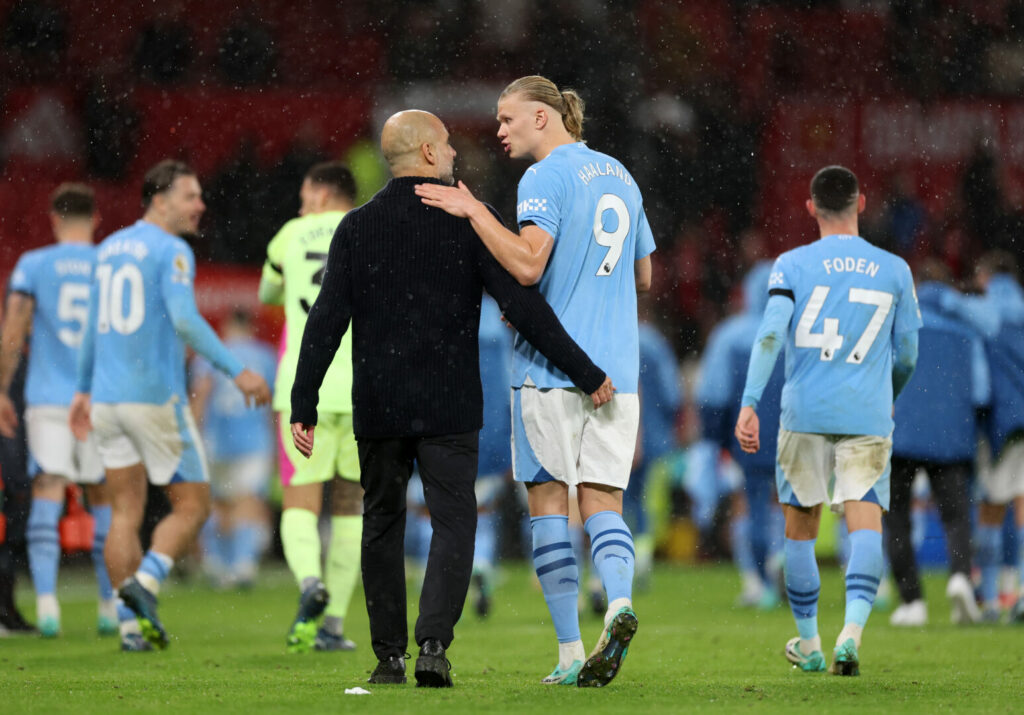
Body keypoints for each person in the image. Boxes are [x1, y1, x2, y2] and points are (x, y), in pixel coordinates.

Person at [290, 109, 612, 688]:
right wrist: (585, 371)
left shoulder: (357, 227)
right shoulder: (468, 220)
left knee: (381, 524)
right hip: (449, 403)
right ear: (431, 155)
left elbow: (325, 321)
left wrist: (303, 403)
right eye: (449, 147)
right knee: (454, 522)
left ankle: (388, 656)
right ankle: (434, 644)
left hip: (380, 403)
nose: (458, 156)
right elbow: (523, 307)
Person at [416, 75, 655, 688]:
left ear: (543, 118)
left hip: (551, 368)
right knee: (603, 502)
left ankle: (572, 650)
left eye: (507, 118)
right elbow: (645, 276)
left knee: (548, 503)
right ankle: (621, 603)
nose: (499, 130)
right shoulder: (621, 176)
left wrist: (474, 210)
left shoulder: (543, 177)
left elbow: (527, 263)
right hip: (617, 369)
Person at [69, 160, 271, 652]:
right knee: (194, 506)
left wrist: (81, 391)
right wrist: (235, 368)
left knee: (124, 511)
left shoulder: (109, 248)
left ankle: (129, 626)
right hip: (155, 398)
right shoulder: (172, 250)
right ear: (159, 200)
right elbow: (184, 319)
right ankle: (148, 580)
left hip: (109, 401)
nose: (199, 204)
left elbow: (92, 326)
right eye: (189, 195)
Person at [735, 165, 921, 676]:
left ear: (811, 207)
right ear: (861, 205)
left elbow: (771, 335)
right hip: (866, 411)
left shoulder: (790, 265)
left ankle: (811, 642)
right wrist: (888, 395)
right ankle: (852, 635)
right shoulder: (895, 269)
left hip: (805, 412)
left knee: (801, 527)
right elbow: (907, 353)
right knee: (865, 521)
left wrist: (750, 401)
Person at [0, 183, 116, 638]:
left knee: (47, 487)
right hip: (100, 397)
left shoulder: (34, 264)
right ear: (96, 219)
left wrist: (2, 390)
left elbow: (13, 333)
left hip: (48, 397)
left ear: (53, 219)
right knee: (102, 494)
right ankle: (110, 606)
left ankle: (47, 605)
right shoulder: (110, 264)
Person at [258, 161, 362, 653]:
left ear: (321, 195)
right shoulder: (367, 228)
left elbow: (267, 293)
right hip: (360, 388)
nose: (302, 205)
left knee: (300, 500)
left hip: (303, 387)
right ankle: (334, 622)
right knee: (351, 506)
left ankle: (308, 583)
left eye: (305, 195)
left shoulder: (290, 234)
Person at [885, 259, 991, 626]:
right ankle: (961, 576)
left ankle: (912, 601)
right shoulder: (965, 331)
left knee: (896, 515)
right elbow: (981, 392)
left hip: (901, 433)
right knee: (956, 515)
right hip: (951, 435)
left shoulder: (897, 324)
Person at [698, 262, 785, 609]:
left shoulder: (729, 335)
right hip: (794, 433)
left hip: (747, 435)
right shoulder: (798, 333)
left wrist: (717, 440)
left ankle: (758, 579)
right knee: (790, 505)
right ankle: (785, 560)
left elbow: (713, 395)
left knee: (750, 507)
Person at [190, 309, 277, 589]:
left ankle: (217, 564)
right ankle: (243, 564)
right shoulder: (264, 355)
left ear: (227, 325)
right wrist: (276, 441)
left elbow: (201, 395)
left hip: (218, 438)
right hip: (255, 439)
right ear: (251, 327)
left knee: (221, 502)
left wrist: (194, 434)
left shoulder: (211, 354)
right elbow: (273, 403)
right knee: (248, 500)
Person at [971, 251, 1024, 623]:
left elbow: (979, 384)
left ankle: (989, 599)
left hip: (998, 423)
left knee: (990, 507)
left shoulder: (982, 314)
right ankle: (1021, 594)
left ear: (986, 277)